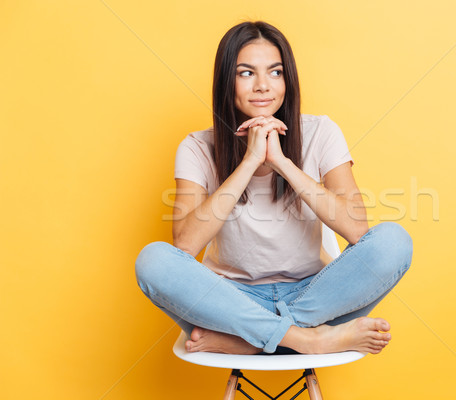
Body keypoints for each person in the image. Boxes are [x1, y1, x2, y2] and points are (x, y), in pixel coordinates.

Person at [135, 21, 413, 355]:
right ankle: (305, 339)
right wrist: (250, 161)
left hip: (314, 294)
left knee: (393, 242)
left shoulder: (321, 131)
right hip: (231, 299)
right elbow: (185, 244)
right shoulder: (196, 147)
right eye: (246, 73)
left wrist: (282, 163)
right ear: (227, 81)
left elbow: (357, 229)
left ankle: (249, 340)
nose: (263, 86)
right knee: (153, 261)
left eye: (275, 72)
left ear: (288, 79)